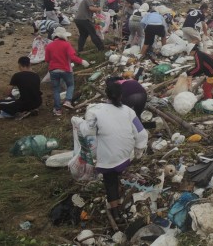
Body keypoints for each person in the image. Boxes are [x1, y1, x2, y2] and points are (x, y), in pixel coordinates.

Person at [72, 83, 148, 223]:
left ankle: (116, 213)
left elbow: (86, 132)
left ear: (106, 95)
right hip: (126, 156)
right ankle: (118, 189)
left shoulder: (95, 111)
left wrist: (77, 122)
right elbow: (141, 133)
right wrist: (138, 150)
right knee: (116, 168)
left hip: (109, 159)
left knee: (110, 180)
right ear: (121, 96)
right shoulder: (129, 111)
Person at [45, 27, 89, 115]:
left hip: (53, 70)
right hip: (65, 69)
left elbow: (47, 59)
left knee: (56, 89)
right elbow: (72, 57)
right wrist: (82, 61)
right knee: (70, 85)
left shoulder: (49, 45)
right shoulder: (66, 44)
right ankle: (68, 101)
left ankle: (57, 110)